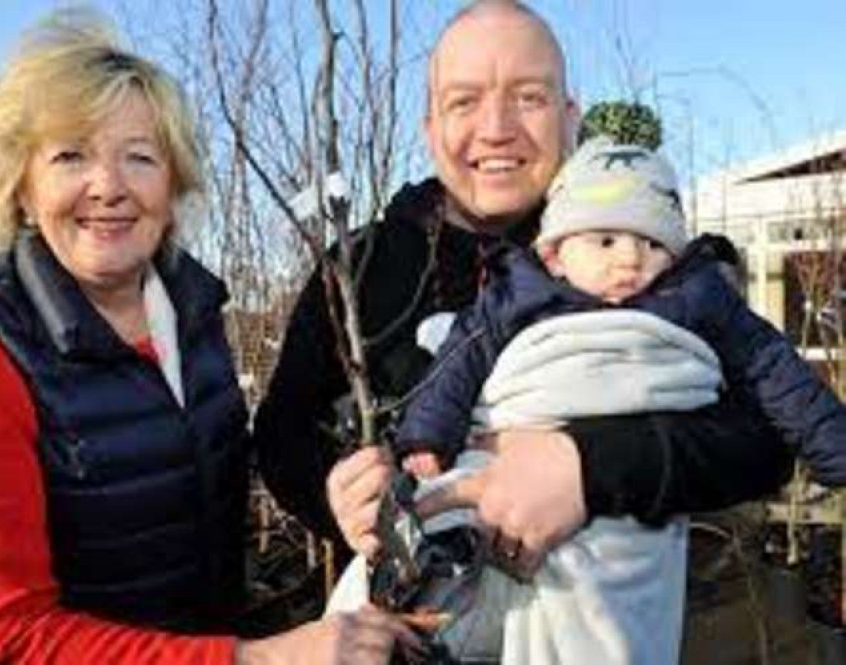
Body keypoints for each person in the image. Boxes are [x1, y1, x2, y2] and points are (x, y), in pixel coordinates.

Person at [0, 10, 415, 665]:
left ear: (172, 185)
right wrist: (258, 658)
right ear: (23, 188)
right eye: (70, 155)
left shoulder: (193, 312)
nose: (109, 186)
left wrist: (342, 488)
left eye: (139, 157)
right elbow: (11, 638)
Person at [254, 0, 792, 588]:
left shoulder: (641, 251)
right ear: (430, 128)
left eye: (528, 97)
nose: (495, 128)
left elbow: (767, 439)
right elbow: (281, 433)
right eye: (464, 101)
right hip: (418, 623)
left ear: (569, 117)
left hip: (616, 615)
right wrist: (337, 494)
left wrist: (591, 467)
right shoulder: (359, 269)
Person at [327, 137, 846, 664]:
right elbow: (459, 361)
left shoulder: (696, 294)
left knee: (591, 613)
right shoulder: (514, 290)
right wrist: (424, 435)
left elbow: (774, 373)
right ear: (555, 254)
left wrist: (833, 445)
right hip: (496, 460)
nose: (630, 260)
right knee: (430, 523)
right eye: (605, 241)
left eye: (651, 245)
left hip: (633, 526)